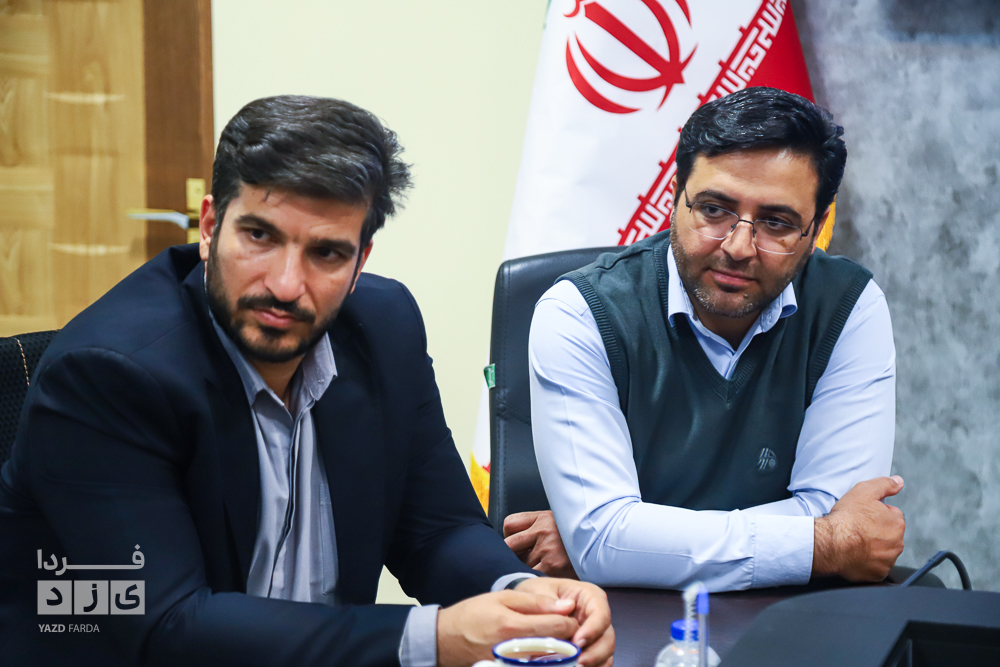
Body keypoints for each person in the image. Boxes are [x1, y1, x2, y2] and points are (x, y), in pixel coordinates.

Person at [0, 96, 614, 667]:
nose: (286, 285)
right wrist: (435, 637)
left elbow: (437, 529)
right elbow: (168, 625)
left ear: (360, 261)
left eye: (326, 253)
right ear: (210, 227)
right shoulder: (107, 375)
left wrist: (524, 595)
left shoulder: (385, 330)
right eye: (259, 236)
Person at [503, 87, 906, 591]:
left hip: (789, 615)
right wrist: (827, 544)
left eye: (776, 223)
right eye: (714, 210)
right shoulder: (580, 312)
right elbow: (606, 540)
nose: (738, 247)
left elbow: (838, 509)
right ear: (676, 198)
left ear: (817, 228)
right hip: (618, 620)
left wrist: (634, 542)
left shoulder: (850, 307)